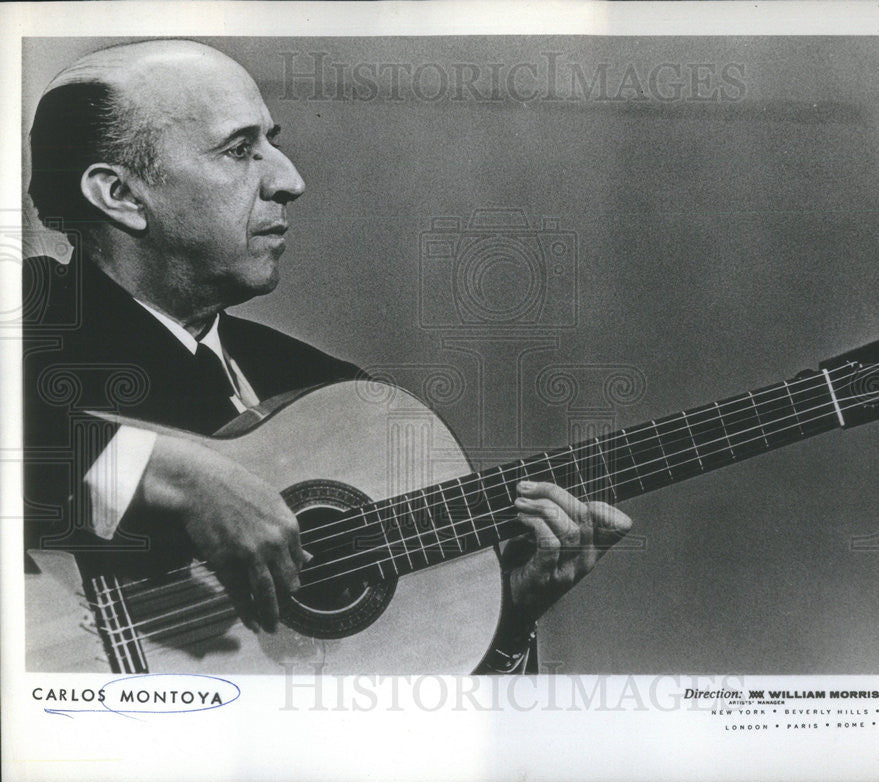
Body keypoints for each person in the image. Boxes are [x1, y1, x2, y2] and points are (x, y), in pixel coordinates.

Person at [23, 39, 633, 673]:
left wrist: (505, 621)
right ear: (119, 193)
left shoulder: (327, 396)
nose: (289, 180)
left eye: (273, 142)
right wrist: (169, 474)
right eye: (239, 150)